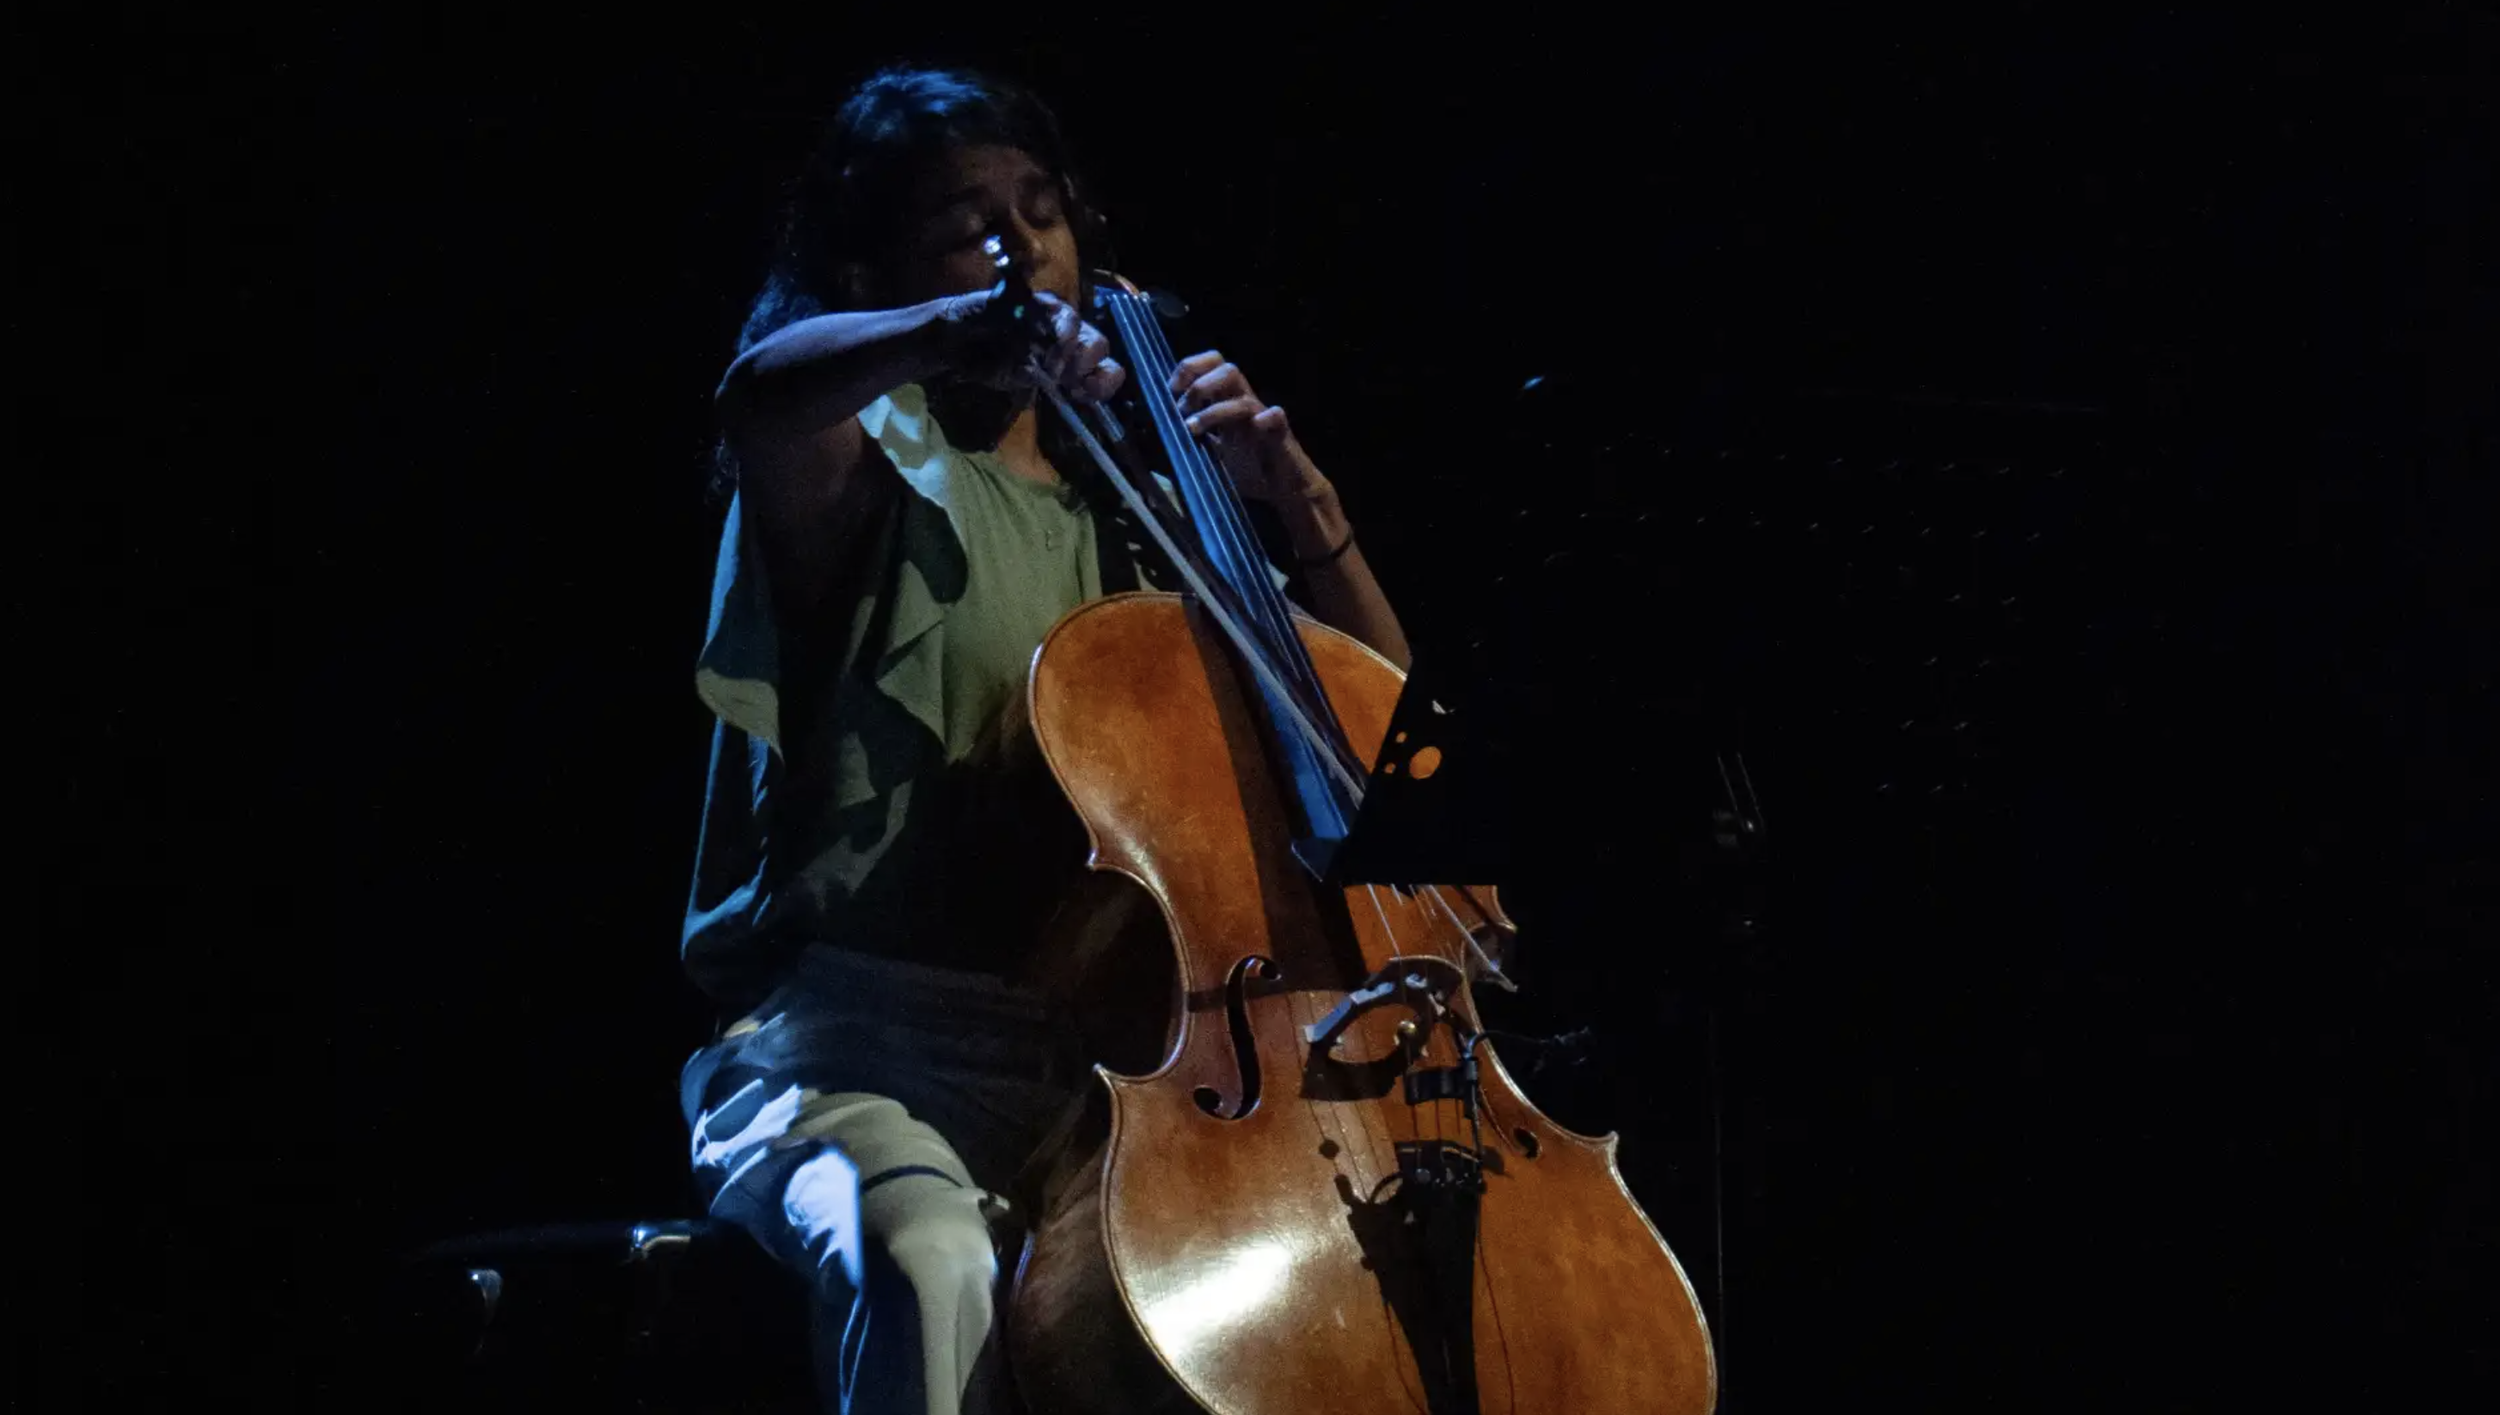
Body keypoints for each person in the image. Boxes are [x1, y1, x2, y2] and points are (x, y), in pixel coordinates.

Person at [676, 64, 1410, 1415]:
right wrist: (963, 327)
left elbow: (1375, 719)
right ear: (885, 269)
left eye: (1044, 212)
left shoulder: (1134, 508)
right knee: (928, 1259)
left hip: (1105, 1070)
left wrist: (1290, 495)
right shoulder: (869, 458)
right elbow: (758, 396)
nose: (1026, 250)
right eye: (971, 224)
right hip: (856, 1060)